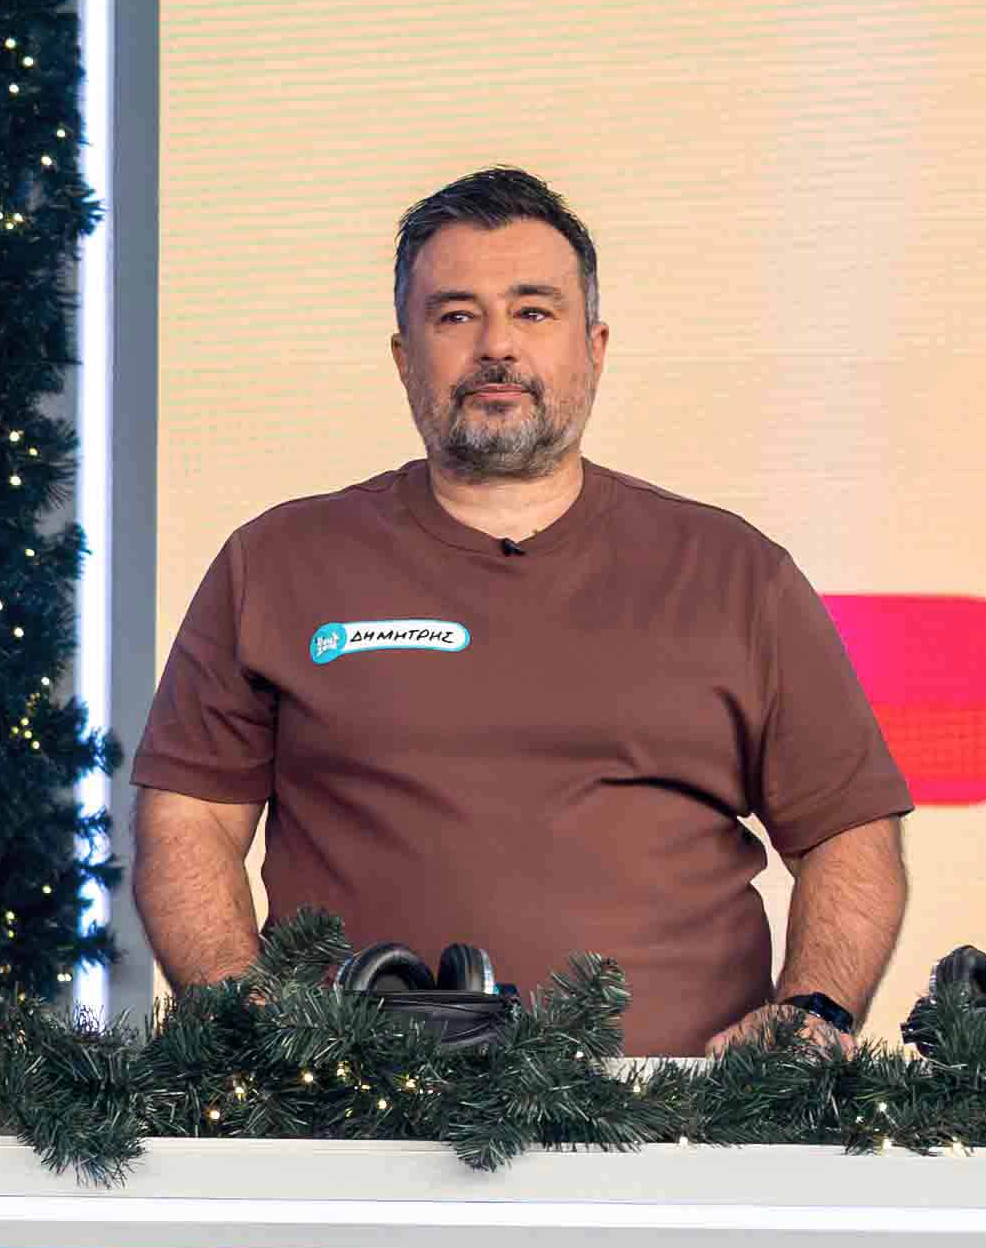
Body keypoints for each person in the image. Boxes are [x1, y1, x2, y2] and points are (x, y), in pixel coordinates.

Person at [130, 165, 910, 1053]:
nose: (496, 346)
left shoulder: (736, 573)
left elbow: (849, 834)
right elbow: (189, 820)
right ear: (403, 357)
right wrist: (242, 1018)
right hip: (349, 1109)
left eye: (534, 312)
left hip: (681, 1111)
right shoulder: (274, 563)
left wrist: (812, 1013)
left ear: (595, 347)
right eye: (456, 316)